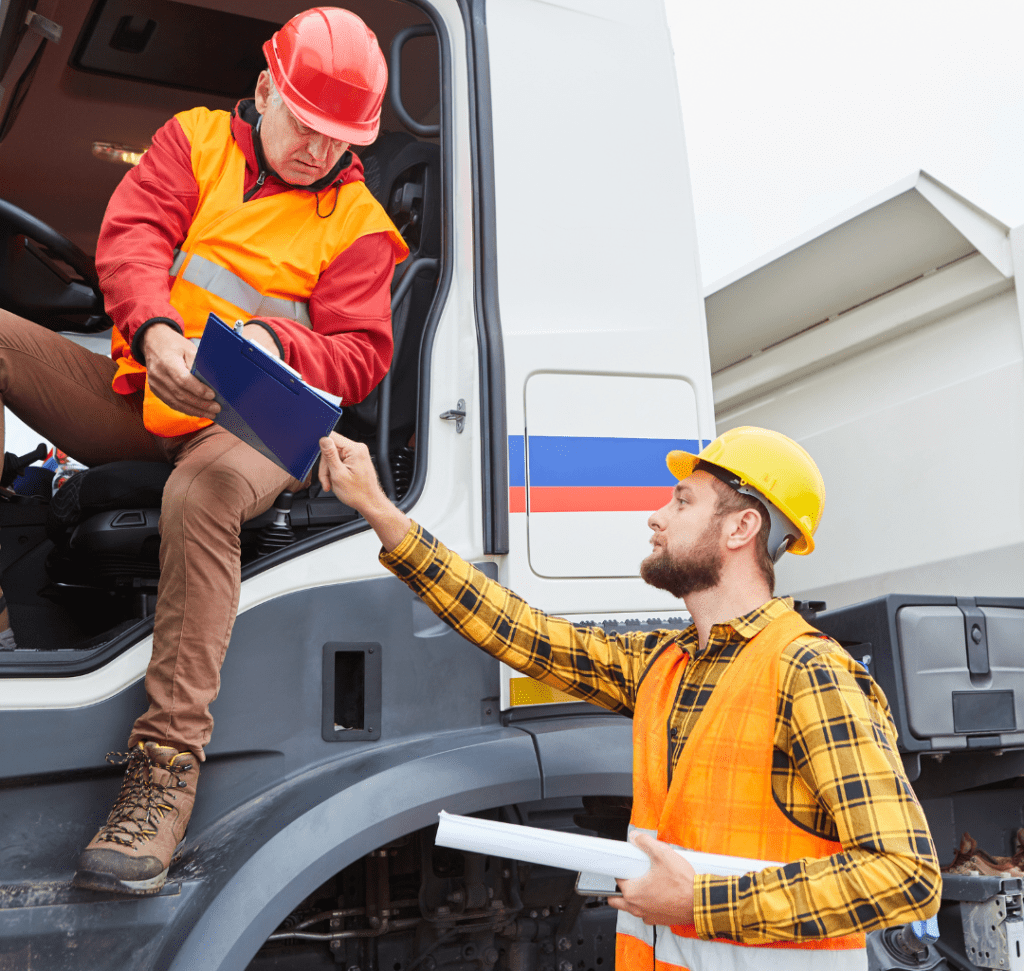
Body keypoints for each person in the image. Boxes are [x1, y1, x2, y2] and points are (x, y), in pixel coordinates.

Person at [0, 7, 408, 895]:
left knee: (202, 494)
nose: (314, 150)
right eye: (303, 123)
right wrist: (152, 334)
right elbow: (135, 236)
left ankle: (163, 770)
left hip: (262, 424)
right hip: (154, 388)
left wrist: (271, 343)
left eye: (338, 139)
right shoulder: (192, 143)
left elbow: (361, 355)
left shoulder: (362, 226)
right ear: (265, 89)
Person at [316, 426, 941, 969]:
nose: (657, 516)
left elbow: (905, 875)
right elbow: (526, 635)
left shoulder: (809, 670)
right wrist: (380, 510)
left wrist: (699, 903)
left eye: (682, 500)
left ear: (741, 527)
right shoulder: (665, 664)